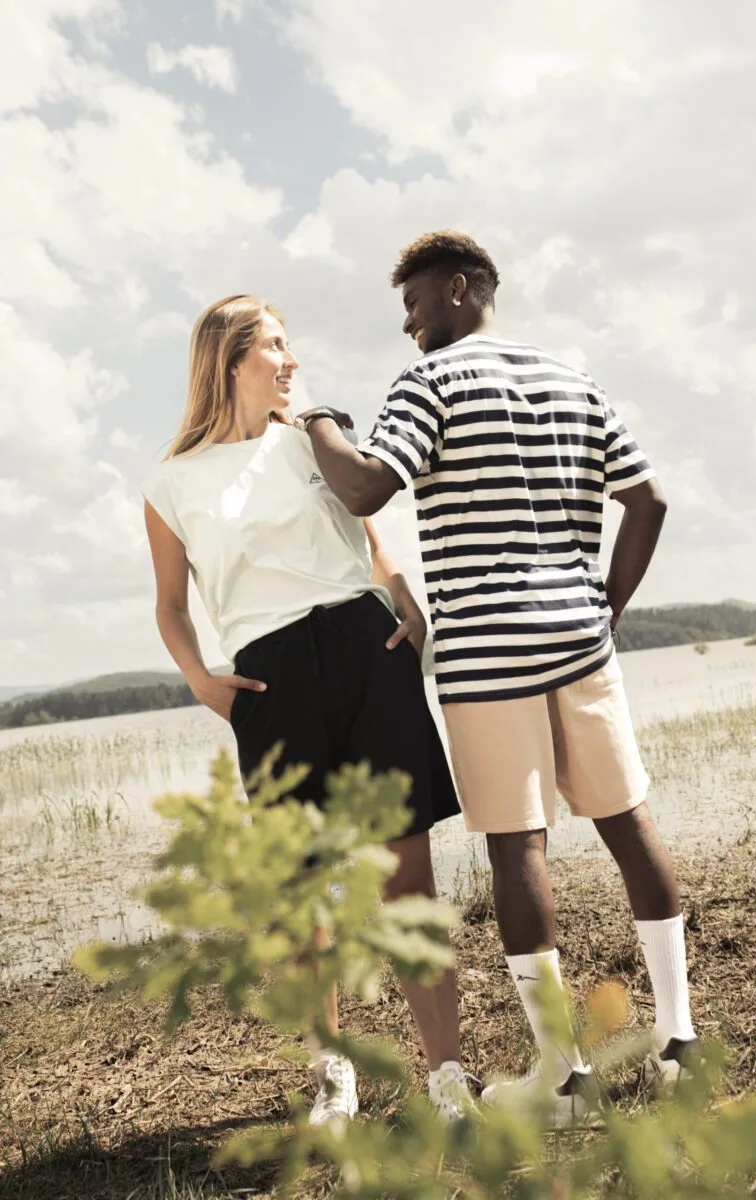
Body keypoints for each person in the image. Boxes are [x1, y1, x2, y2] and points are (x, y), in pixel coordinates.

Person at [298, 231, 701, 1126]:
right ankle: (680, 1045)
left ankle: (563, 1081)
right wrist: (608, 604)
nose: (407, 327)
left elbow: (367, 489)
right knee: (631, 828)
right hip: (580, 641)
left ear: (459, 287)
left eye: (413, 305)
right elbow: (650, 498)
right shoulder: (572, 377)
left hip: (488, 655)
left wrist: (320, 420)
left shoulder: (431, 384)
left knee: (517, 849)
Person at [141, 294, 476, 1126]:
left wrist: (408, 604)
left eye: (291, 345)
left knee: (408, 877)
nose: (292, 360)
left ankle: (449, 1076)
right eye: (276, 346)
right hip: (270, 677)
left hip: (368, 653)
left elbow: (373, 544)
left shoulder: (312, 443)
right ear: (228, 360)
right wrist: (200, 679)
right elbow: (172, 606)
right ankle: (336, 1081)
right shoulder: (171, 483)